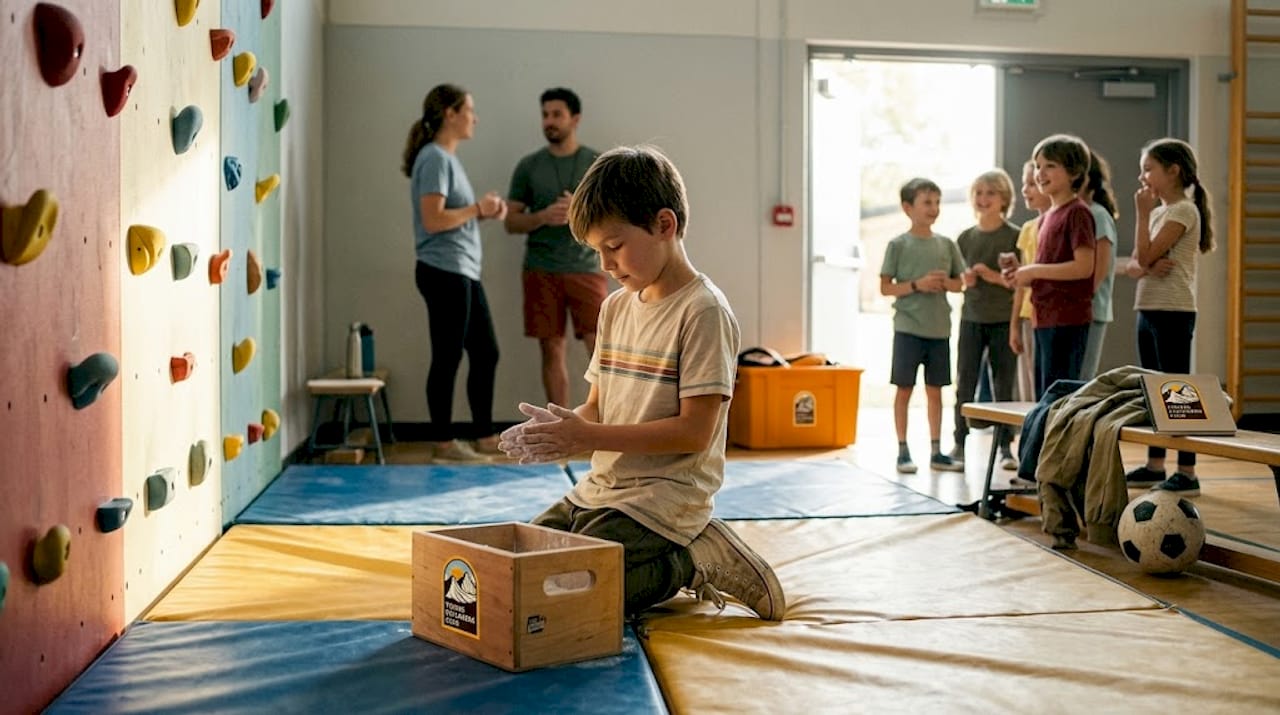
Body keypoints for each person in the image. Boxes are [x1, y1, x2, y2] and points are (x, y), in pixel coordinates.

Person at [498, 145, 785, 620]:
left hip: (663, 500)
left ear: (664, 225)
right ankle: (672, 554)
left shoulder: (703, 312)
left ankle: (694, 558)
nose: (605, 265)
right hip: (601, 490)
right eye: (596, 252)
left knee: (566, 595)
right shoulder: (614, 307)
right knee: (518, 573)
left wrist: (588, 435)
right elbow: (597, 407)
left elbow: (694, 433)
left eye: (613, 247)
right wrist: (564, 429)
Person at [400, 84, 508, 462]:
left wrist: (484, 211)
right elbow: (433, 220)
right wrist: (478, 209)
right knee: (447, 357)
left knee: (486, 352)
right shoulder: (434, 158)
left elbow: (450, 216)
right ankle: (444, 444)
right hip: (444, 269)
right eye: (469, 110)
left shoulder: (447, 159)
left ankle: (484, 436)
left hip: (461, 270)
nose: (475, 118)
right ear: (450, 113)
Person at [1123, 137, 1214, 497]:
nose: (1142, 177)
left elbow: (1142, 258)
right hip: (1148, 307)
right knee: (1152, 390)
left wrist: (1142, 216)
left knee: (1177, 395)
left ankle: (1187, 472)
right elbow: (1135, 264)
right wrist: (1145, 264)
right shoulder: (1161, 212)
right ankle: (1155, 464)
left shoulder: (1183, 211)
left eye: (1149, 169)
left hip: (1173, 311)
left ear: (1173, 171)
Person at [505, 88, 607, 406]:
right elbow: (510, 221)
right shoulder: (529, 166)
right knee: (551, 348)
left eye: (556, 114)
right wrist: (542, 217)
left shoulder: (596, 163)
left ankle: (606, 422)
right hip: (541, 268)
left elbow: (615, 217)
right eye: (545, 115)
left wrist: (579, 208)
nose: (549, 121)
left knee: (599, 347)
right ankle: (559, 424)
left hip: (586, 266)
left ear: (575, 119)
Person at [879, 178, 966, 474]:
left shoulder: (947, 244)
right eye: (927, 202)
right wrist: (917, 285)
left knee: (936, 391)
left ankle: (936, 451)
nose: (933, 208)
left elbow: (959, 284)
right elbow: (885, 288)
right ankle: (902, 451)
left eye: (937, 202)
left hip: (939, 329)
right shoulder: (898, 245)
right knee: (904, 389)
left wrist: (944, 283)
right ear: (908, 208)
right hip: (907, 329)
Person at [1004, 134, 1096, 399]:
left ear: (1074, 172)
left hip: (1067, 318)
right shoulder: (1046, 219)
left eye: (1050, 166)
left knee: (1058, 396)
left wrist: (1033, 271)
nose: (1040, 173)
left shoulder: (1077, 213)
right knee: (1044, 395)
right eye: (1038, 166)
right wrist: (1021, 275)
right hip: (1043, 317)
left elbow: (1083, 267)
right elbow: (1048, 266)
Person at [952, 169, 1021, 470]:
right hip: (971, 319)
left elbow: (1019, 282)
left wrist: (992, 276)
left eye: (990, 193)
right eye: (978, 193)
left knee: (1003, 385)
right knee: (964, 382)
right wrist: (965, 279)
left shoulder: (1014, 236)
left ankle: (1005, 447)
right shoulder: (965, 238)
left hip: (1003, 320)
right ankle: (959, 442)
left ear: (1004, 199)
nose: (983, 199)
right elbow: (957, 278)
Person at [1007, 160, 1050, 402]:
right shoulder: (1027, 229)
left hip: (1048, 315)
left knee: (1045, 386)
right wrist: (1014, 325)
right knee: (1029, 388)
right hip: (1027, 316)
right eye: (1025, 184)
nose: (1026, 190)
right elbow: (1021, 284)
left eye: (1032, 184)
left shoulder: (1059, 222)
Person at [1080, 149, 1120, 380]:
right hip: (1077, 310)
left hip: (1091, 310)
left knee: (1082, 377)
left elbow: (1101, 267)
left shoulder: (1097, 214)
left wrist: (1082, 298)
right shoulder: (1078, 213)